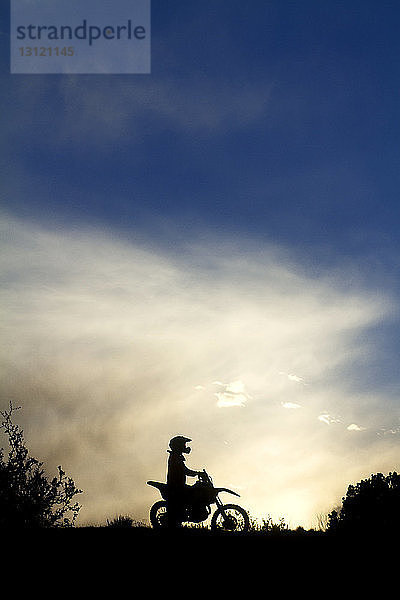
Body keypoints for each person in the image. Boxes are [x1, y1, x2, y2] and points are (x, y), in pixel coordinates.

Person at [166, 435, 202, 527]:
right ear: (178, 446)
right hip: (176, 487)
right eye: (183, 444)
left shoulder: (177, 456)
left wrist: (197, 473)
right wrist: (197, 473)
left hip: (180, 485)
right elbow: (185, 470)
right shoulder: (175, 457)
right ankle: (183, 514)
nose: (185, 447)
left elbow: (185, 470)